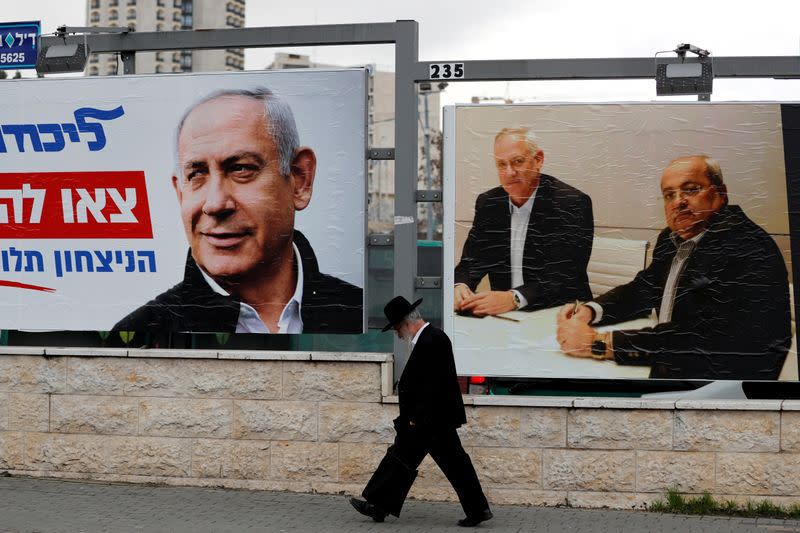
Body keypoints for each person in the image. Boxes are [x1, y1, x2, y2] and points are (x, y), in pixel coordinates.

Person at [114, 88, 362, 334]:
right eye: (197, 174)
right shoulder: (139, 336)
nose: (215, 204)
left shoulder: (361, 316)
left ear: (299, 179)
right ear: (180, 193)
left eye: (241, 169)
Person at [556, 155, 791, 380]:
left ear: (720, 194)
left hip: (723, 386)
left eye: (691, 189)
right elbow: (643, 288)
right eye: (669, 195)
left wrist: (599, 342)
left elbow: (703, 341)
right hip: (673, 366)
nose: (678, 201)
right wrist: (591, 310)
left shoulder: (746, 247)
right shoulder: (672, 238)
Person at [349, 296, 493, 528]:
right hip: (428, 420)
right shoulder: (429, 338)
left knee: (451, 464)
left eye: (396, 328)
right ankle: (378, 506)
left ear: (406, 322)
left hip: (430, 422)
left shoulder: (431, 340)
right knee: (401, 459)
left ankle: (478, 509)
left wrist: (416, 418)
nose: (397, 334)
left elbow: (433, 385)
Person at [454, 127, 594, 317]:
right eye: (501, 165)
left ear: (538, 160)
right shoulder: (489, 204)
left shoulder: (571, 203)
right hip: (505, 318)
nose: (509, 172)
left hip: (560, 315)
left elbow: (563, 275)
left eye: (517, 161)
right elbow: (471, 262)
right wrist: (460, 286)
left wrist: (514, 298)